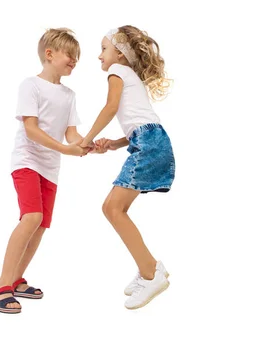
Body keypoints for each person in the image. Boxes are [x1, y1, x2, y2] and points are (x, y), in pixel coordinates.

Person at [0, 28, 92, 314]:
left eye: (78, 57)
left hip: (51, 168)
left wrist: (84, 144)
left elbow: (71, 133)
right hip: (27, 161)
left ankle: (17, 279)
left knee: (41, 225)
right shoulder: (30, 85)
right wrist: (65, 148)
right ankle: (1, 286)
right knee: (31, 217)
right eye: (71, 55)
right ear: (50, 54)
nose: (75, 60)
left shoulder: (69, 94)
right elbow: (31, 130)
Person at [81, 25, 176, 309]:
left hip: (149, 143)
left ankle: (150, 273)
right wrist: (115, 143)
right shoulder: (130, 75)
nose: (99, 56)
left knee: (113, 208)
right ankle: (149, 266)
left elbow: (111, 108)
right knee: (113, 207)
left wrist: (87, 139)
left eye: (104, 49)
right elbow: (142, 123)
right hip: (150, 140)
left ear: (120, 54)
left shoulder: (118, 72)